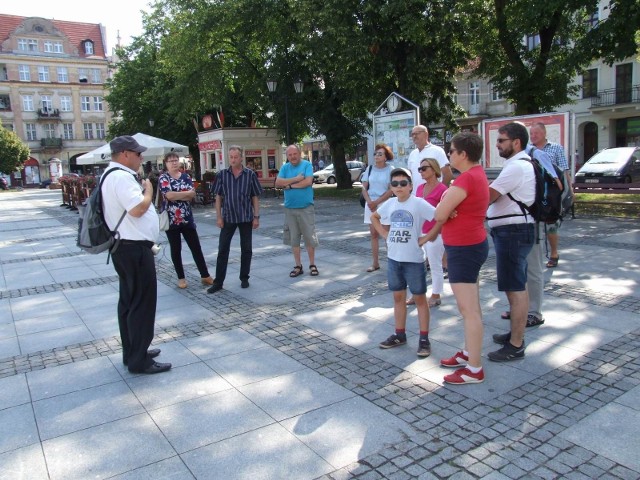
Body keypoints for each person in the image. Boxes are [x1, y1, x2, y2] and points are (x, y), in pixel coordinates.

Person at [422, 132, 489, 384]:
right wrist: (448, 207)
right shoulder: (475, 175)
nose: (448, 155)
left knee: (469, 310)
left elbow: (439, 213)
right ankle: (469, 352)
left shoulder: (466, 180)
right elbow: (445, 211)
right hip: (470, 245)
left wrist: (446, 206)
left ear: (463, 154)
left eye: (451, 151)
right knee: (472, 308)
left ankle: (474, 369)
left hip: (464, 248)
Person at [102, 135, 170, 374]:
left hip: (126, 247)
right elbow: (138, 209)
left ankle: (133, 350)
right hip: (133, 248)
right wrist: (149, 192)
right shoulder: (121, 177)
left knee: (129, 302)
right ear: (125, 154)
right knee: (141, 302)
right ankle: (138, 359)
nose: (141, 157)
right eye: (138, 153)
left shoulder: (112, 175)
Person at [371, 168, 435, 357]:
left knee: (420, 299)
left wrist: (426, 238)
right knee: (398, 298)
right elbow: (375, 216)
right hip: (394, 259)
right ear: (391, 187)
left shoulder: (418, 204)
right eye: (395, 183)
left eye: (403, 183)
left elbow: (439, 217)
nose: (399, 187)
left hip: (414, 260)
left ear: (410, 185)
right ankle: (399, 334)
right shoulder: (390, 204)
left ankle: (424, 339)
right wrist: (384, 234)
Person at [486, 122, 536, 363]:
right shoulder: (517, 164)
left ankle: (516, 344)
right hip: (513, 232)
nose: (497, 144)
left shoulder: (516, 167)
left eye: (501, 140)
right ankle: (514, 335)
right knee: (516, 286)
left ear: (516, 142)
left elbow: (489, 196)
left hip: (513, 232)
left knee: (516, 289)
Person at [207, 145, 262, 293]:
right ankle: (218, 282)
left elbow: (255, 197)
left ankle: (244, 277)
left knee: (246, 249)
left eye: (235, 157)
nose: (232, 159)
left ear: (241, 157)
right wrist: (218, 216)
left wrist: (256, 216)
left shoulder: (250, 175)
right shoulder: (222, 175)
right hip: (228, 217)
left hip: (245, 217)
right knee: (223, 249)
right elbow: (218, 197)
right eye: (230, 157)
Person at [158, 153, 213, 289]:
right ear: (166, 163)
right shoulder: (164, 178)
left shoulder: (186, 176)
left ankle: (205, 275)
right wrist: (184, 194)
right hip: (172, 220)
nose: (174, 163)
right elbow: (169, 195)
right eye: (170, 161)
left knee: (196, 247)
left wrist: (179, 195)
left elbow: (192, 195)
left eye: (176, 160)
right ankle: (181, 278)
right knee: (176, 249)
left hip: (187, 218)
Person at [529, 122, 572, 268]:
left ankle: (554, 253)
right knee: (534, 224)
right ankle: (536, 255)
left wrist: (570, 191)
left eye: (537, 133)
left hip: (552, 193)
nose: (533, 136)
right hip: (534, 192)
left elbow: (564, 171)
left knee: (551, 224)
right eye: (531, 133)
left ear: (544, 133)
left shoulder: (555, 148)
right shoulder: (528, 150)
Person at [407, 158, 448, 308]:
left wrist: (436, 232)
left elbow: (444, 214)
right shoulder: (419, 188)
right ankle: (416, 294)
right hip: (420, 232)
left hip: (435, 233)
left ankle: (436, 295)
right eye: (420, 169)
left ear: (434, 169)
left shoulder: (442, 189)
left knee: (435, 264)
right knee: (416, 265)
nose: (421, 172)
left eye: (424, 168)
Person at [275, 145, 320, 277]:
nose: (293, 157)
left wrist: (288, 185)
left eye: (295, 154)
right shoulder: (285, 167)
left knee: (309, 237)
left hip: (306, 207)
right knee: (294, 238)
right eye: (290, 155)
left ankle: (312, 264)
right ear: (287, 156)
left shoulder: (306, 165)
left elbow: (307, 182)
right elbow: (278, 182)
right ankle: (298, 266)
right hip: (290, 208)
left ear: (299, 154)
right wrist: (295, 179)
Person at [361, 144, 393, 272]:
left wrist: (378, 202)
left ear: (386, 157)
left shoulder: (391, 170)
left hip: (384, 204)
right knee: (373, 234)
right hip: (370, 204)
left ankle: (392, 263)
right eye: (375, 154)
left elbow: (391, 190)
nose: (377, 156)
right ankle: (375, 263)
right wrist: (369, 202)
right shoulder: (369, 169)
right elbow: (364, 187)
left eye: (380, 154)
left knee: (386, 234)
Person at [407, 125, 453, 191]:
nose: (414, 136)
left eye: (417, 133)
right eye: (413, 134)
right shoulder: (412, 154)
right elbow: (410, 176)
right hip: (416, 195)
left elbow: (448, 174)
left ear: (426, 134)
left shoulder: (437, 151)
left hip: (433, 196)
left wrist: (439, 192)